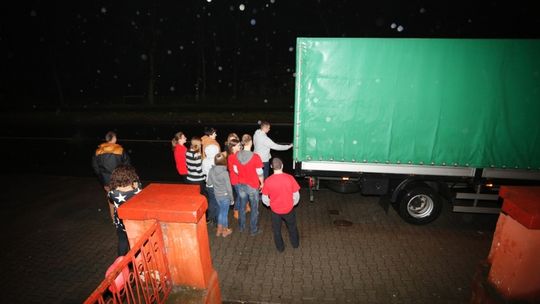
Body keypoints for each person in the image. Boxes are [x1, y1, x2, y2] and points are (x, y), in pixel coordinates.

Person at [262, 157, 301, 252]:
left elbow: (264, 199)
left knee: (276, 230)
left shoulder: (268, 181)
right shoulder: (290, 178)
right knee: (292, 227)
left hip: (275, 211)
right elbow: (296, 195)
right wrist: (293, 204)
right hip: (289, 209)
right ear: (282, 166)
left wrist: (270, 205)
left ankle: (280, 248)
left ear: (271, 167)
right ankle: (295, 244)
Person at [92, 131, 131, 221]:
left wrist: (102, 178)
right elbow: (127, 165)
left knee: (111, 200)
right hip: (119, 180)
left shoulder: (98, 151)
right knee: (122, 198)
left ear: (106, 139)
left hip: (106, 181)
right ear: (114, 139)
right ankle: (123, 218)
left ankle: (114, 219)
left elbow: (95, 167)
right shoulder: (120, 150)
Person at [230, 134, 264, 235]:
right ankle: (253, 230)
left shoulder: (236, 155)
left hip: (241, 185)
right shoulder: (255, 157)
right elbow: (260, 173)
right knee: (254, 208)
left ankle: (241, 227)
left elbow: (235, 170)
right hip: (253, 186)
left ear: (243, 143)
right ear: (251, 143)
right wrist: (262, 183)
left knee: (242, 206)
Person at [108, 164, 142, 256]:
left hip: (120, 221)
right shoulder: (137, 188)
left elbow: (110, 200)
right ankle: (136, 261)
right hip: (134, 220)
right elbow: (137, 184)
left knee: (122, 241)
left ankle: (121, 262)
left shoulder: (112, 193)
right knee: (135, 242)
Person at [206, 153, 234, 237]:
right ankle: (225, 231)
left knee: (221, 213)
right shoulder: (225, 173)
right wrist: (232, 199)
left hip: (217, 195)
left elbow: (209, 183)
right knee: (224, 214)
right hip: (225, 196)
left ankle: (219, 230)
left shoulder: (211, 170)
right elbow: (229, 187)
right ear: (224, 161)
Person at [201, 127, 220, 226]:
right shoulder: (213, 144)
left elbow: (204, 171)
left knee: (212, 200)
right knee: (216, 202)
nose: (216, 135)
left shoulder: (205, 160)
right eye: (214, 133)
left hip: (208, 182)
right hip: (216, 183)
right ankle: (215, 220)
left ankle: (211, 219)